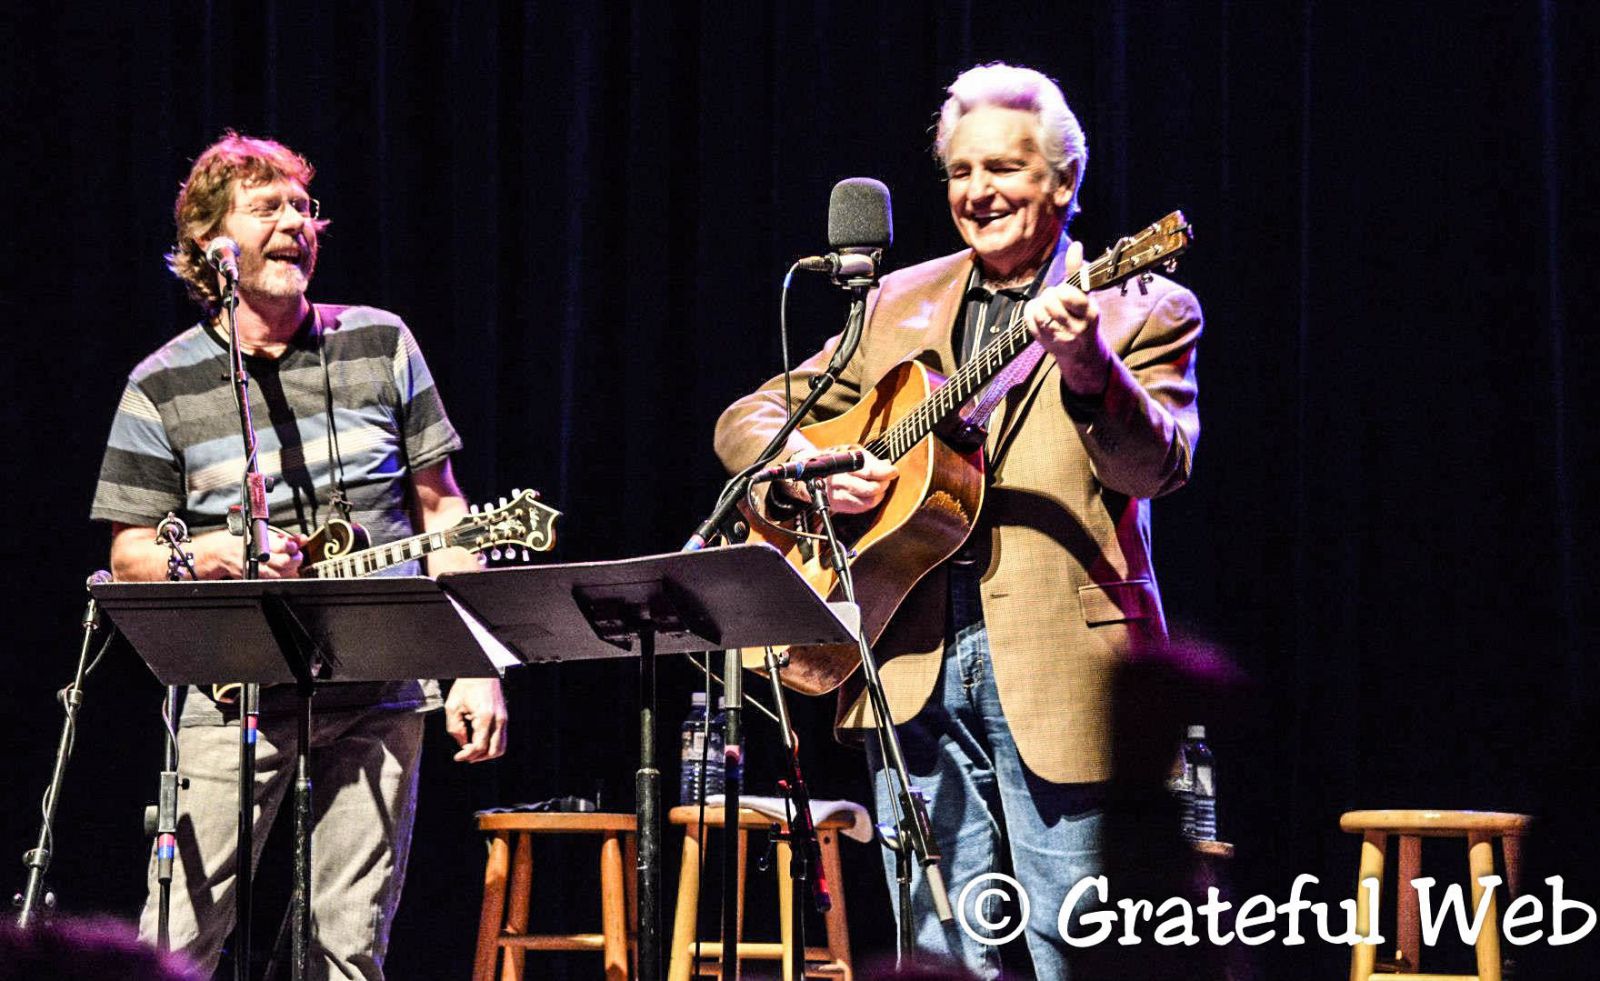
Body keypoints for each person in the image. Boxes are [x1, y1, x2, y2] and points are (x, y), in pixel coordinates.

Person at [714, 63, 1201, 978]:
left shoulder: (1143, 307)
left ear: (1064, 181)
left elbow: (1159, 465)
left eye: (1008, 169)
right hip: (906, 653)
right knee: (939, 946)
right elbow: (750, 416)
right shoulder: (898, 300)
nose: (979, 193)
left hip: (1064, 666)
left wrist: (1092, 365)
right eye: (961, 172)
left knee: (1076, 941)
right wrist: (802, 474)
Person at [90, 132, 507, 979]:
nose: (294, 224)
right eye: (266, 208)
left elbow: (443, 507)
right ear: (212, 246)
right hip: (231, 686)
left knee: (348, 945)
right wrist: (202, 551)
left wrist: (476, 664)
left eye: (302, 208)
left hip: (383, 686)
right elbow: (129, 552)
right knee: (178, 936)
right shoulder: (161, 382)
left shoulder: (381, 342)